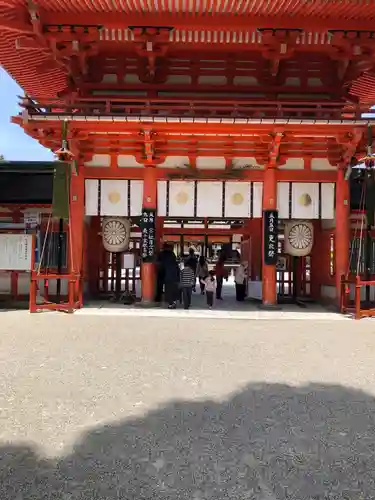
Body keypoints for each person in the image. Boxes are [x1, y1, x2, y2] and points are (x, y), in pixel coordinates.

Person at [158, 243, 180, 309]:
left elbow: (159, 264)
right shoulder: (172, 256)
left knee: (167, 290)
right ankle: (173, 302)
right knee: (174, 290)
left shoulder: (161, 254)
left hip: (166, 276)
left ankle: (169, 302)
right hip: (174, 277)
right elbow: (178, 270)